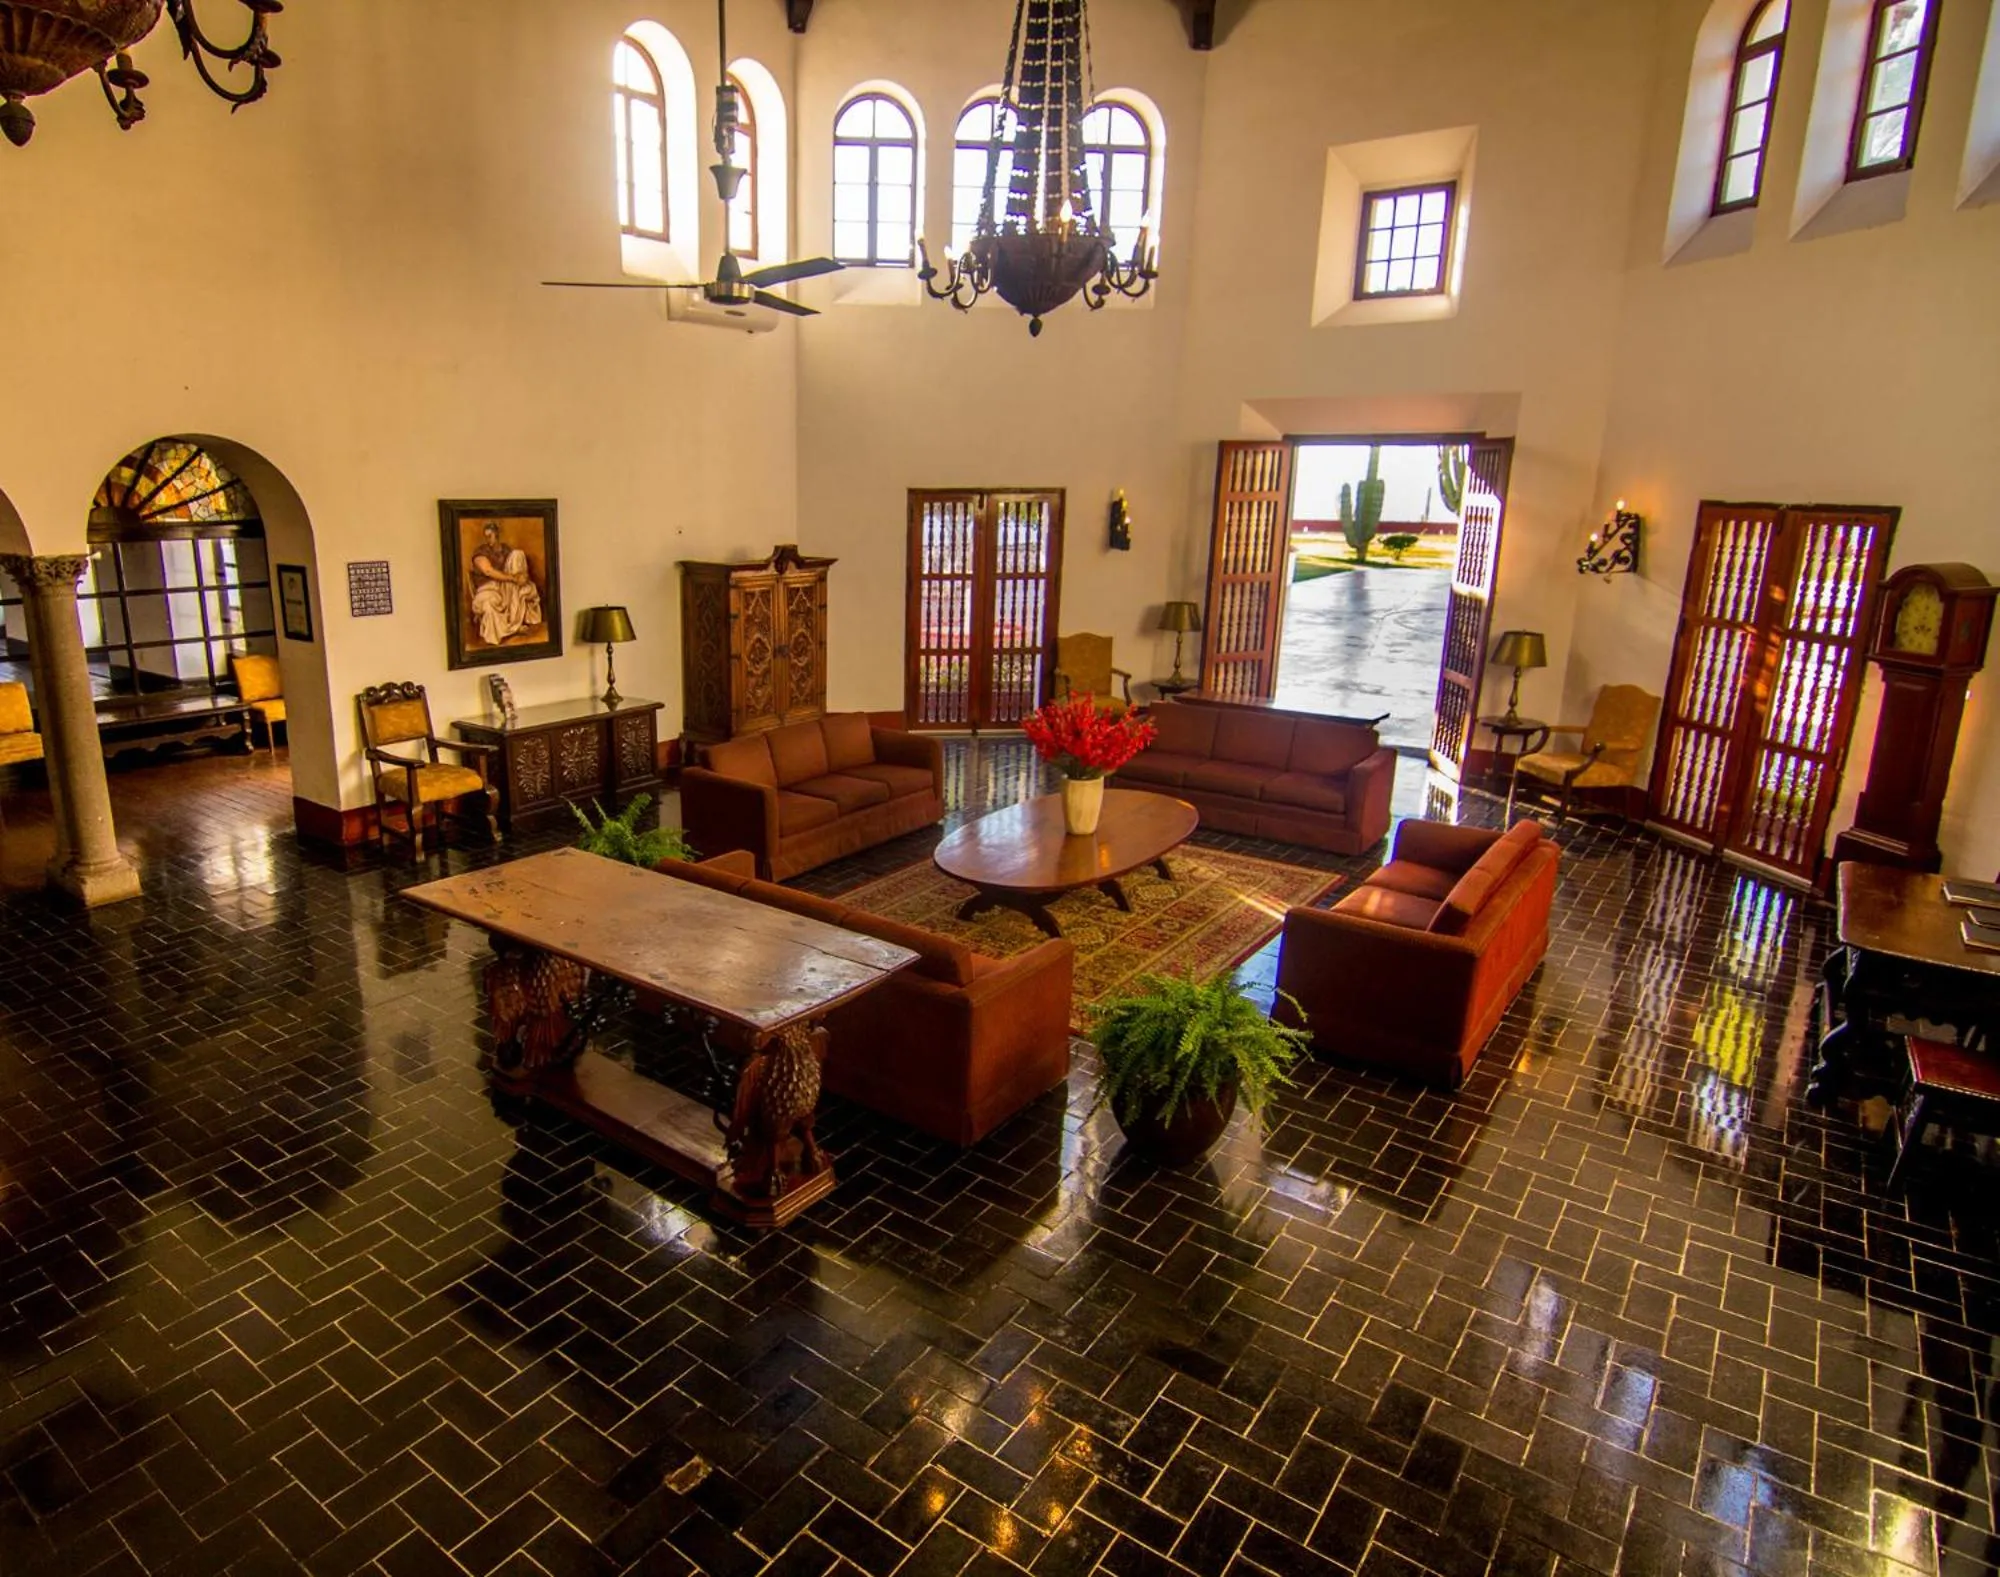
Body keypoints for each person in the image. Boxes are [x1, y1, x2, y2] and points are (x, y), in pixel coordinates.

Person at [468, 520, 542, 647]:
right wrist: (514, 579)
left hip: (505, 588)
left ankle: (514, 623)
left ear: (497, 534)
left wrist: (522, 577)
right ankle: (510, 628)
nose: (489, 540)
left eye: (491, 536)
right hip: (488, 588)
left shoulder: (506, 549)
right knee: (490, 602)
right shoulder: (481, 552)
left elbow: (516, 565)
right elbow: (488, 570)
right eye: (486, 537)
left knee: (518, 555)